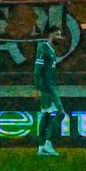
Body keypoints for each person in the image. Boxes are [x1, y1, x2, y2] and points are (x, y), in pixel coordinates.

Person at [32, 20, 63, 157]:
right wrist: (37, 89)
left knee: (46, 116)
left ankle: (40, 148)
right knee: (60, 114)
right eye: (57, 35)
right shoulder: (44, 49)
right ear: (50, 35)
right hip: (47, 89)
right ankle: (48, 145)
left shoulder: (51, 50)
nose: (59, 37)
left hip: (48, 87)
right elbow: (37, 70)